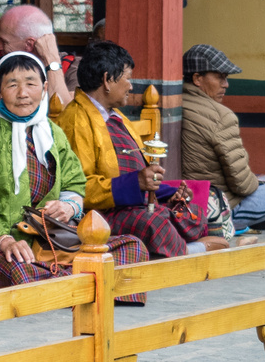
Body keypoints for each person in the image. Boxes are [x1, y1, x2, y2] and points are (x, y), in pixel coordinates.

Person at [0, 52, 148, 292]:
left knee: (133, 247)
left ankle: (66, 284)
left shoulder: (52, 132)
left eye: (31, 84)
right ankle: (84, 285)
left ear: (44, 88)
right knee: (20, 271)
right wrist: (5, 240)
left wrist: (68, 207)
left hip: (51, 240)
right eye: (12, 85)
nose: (23, 93)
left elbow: (75, 183)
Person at [57, 41, 208, 259]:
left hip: (133, 204)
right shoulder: (75, 120)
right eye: (127, 78)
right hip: (100, 214)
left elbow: (140, 172)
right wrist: (135, 183)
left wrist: (170, 193)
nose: (131, 86)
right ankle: (193, 252)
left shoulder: (117, 117)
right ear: (107, 80)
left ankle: (186, 251)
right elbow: (80, 188)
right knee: (154, 223)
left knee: (191, 210)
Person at [181, 44, 265, 230]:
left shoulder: (175, 104)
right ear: (197, 78)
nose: (226, 84)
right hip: (222, 211)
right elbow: (242, 185)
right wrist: (258, 184)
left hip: (189, 208)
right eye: (220, 77)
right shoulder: (220, 116)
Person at [0, 4, 71, 109]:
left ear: (29, 45)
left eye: (4, 42)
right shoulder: (8, 69)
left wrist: (51, 60)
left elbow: (67, 115)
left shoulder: (74, 69)